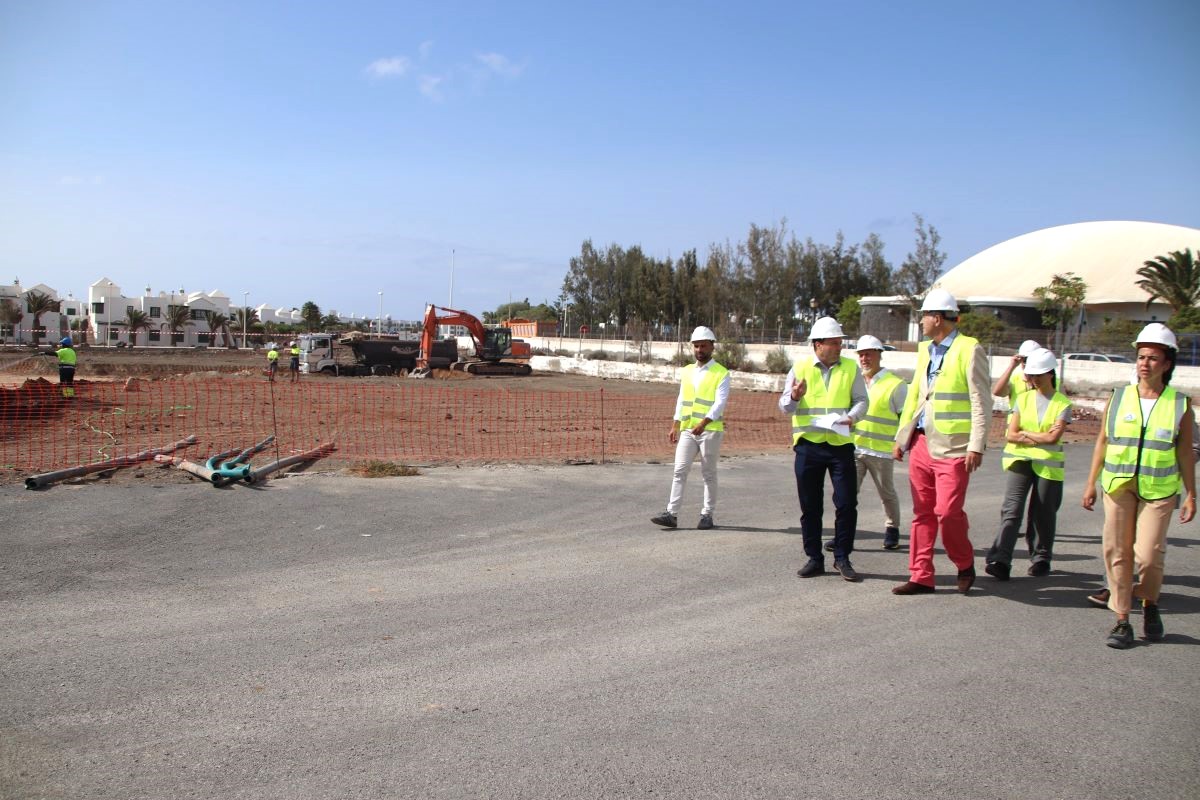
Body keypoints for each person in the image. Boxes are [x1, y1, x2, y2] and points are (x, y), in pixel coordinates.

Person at [1081, 323, 1195, 649]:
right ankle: (1122, 620)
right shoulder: (1118, 398)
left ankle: (1150, 603)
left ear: (1167, 364)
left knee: (1148, 556)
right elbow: (1102, 441)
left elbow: (1185, 451)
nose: (1145, 363)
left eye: (1153, 358)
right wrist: (1090, 483)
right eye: (1141, 357)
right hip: (1118, 486)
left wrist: (1191, 494)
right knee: (1117, 553)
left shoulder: (1179, 404)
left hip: (1159, 491)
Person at [891, 289, 993, 595]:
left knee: (947, 513)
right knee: (922, 512)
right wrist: (902, 438)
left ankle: (963, 561)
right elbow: (914, 396)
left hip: (954, 448)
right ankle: (921, 575)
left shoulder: (969, 349)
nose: (920, 321)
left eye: (923, 315)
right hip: (922, 442)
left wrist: (976, 444)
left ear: (937, 318)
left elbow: (981, 401)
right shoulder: (925, 350)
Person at [780, 316, 868, 582]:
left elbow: (862, 400)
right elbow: (784, 406)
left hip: (841, 446)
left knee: (846, 503)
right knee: (810, 506)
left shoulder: (851, 368)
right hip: (808, 446)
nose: (839, 346)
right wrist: (795, 396)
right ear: (818, 344)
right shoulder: (800, 367)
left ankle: (842, 557)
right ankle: (814, 558)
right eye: (834, 342)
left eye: (840, 342)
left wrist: (852, 417)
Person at [985, 348, 1072, 579]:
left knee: (1043, 513)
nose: (1033, 379)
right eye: (1031, 375)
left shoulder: (1062, 403)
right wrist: (1038, 436)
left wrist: (1026, 434)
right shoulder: (1022, 399)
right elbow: (1011, 434)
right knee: (1011, 511)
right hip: (1019, 460)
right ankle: (1001, 559)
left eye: (1038, 375)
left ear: (1050, 374)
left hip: (1048, 466)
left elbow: (1054, 438)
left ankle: (1041, 558)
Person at [650, 326, 730, 531]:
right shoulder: (687, 371)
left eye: (703, 346)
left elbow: (719, 403)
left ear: (712, 346)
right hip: (688, 430)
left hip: (709, 431)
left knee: (708, 473)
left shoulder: (721, 373)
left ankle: (707, 515)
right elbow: (682, 399)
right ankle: (671, 514)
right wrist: (675, 424)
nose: (699, 350)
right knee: (679, 470)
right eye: (696, 346)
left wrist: (703, 423)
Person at [849, 334, 907, 551]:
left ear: (879, 355)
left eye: (868, 354)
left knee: (887, 493)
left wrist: (900, 443)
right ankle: (845, 533)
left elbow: (905, 418)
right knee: (848, 493)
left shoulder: (896, 385)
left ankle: (892, 529)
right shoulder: (856, 381)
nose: (864, 359)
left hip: (881, 451)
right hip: (855, 447)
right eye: (861, 354)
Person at [991, 339, 1041, 409]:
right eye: (1025, 359)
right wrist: (1012, 366)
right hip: (1015, 419)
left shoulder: (1050, 380)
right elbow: (997, 392)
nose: (1028, 363)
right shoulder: (1015, 379)